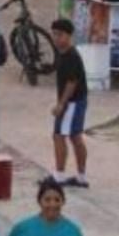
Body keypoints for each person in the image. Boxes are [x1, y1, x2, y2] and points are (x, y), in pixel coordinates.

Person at [49, 19, 89, 188]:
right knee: (74, 136)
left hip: (72, 102)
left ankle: (59, 176)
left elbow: (71, 82)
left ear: (69, 36)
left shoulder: (71, 56)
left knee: (59, 136)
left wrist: (61, 104)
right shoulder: (63, 54)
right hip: (76, 101)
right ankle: (81, 176)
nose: (57, 38)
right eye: (54, 34)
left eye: (60, 35)